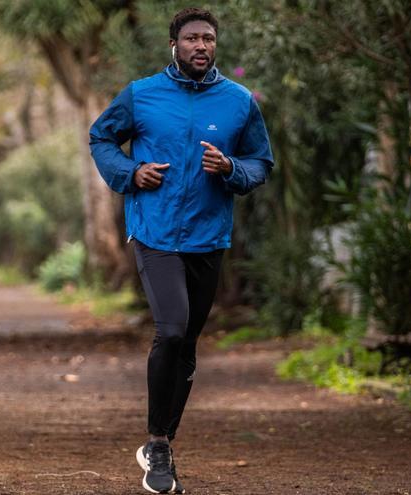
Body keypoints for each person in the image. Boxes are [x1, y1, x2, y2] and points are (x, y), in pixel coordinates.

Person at [89, 7, 274, 494]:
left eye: (208, 39)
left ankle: (163, 444)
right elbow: (101, 137)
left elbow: (261, 162)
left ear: (215, 46)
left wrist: (231, 168)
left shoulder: (237, 102)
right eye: (191, 38)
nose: (201, 46)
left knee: (188, 345)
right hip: (155, 233)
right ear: (174, 45)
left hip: (208, 237)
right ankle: (157, 442)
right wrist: (131, 174)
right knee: (170, 331)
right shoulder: (142, 94)